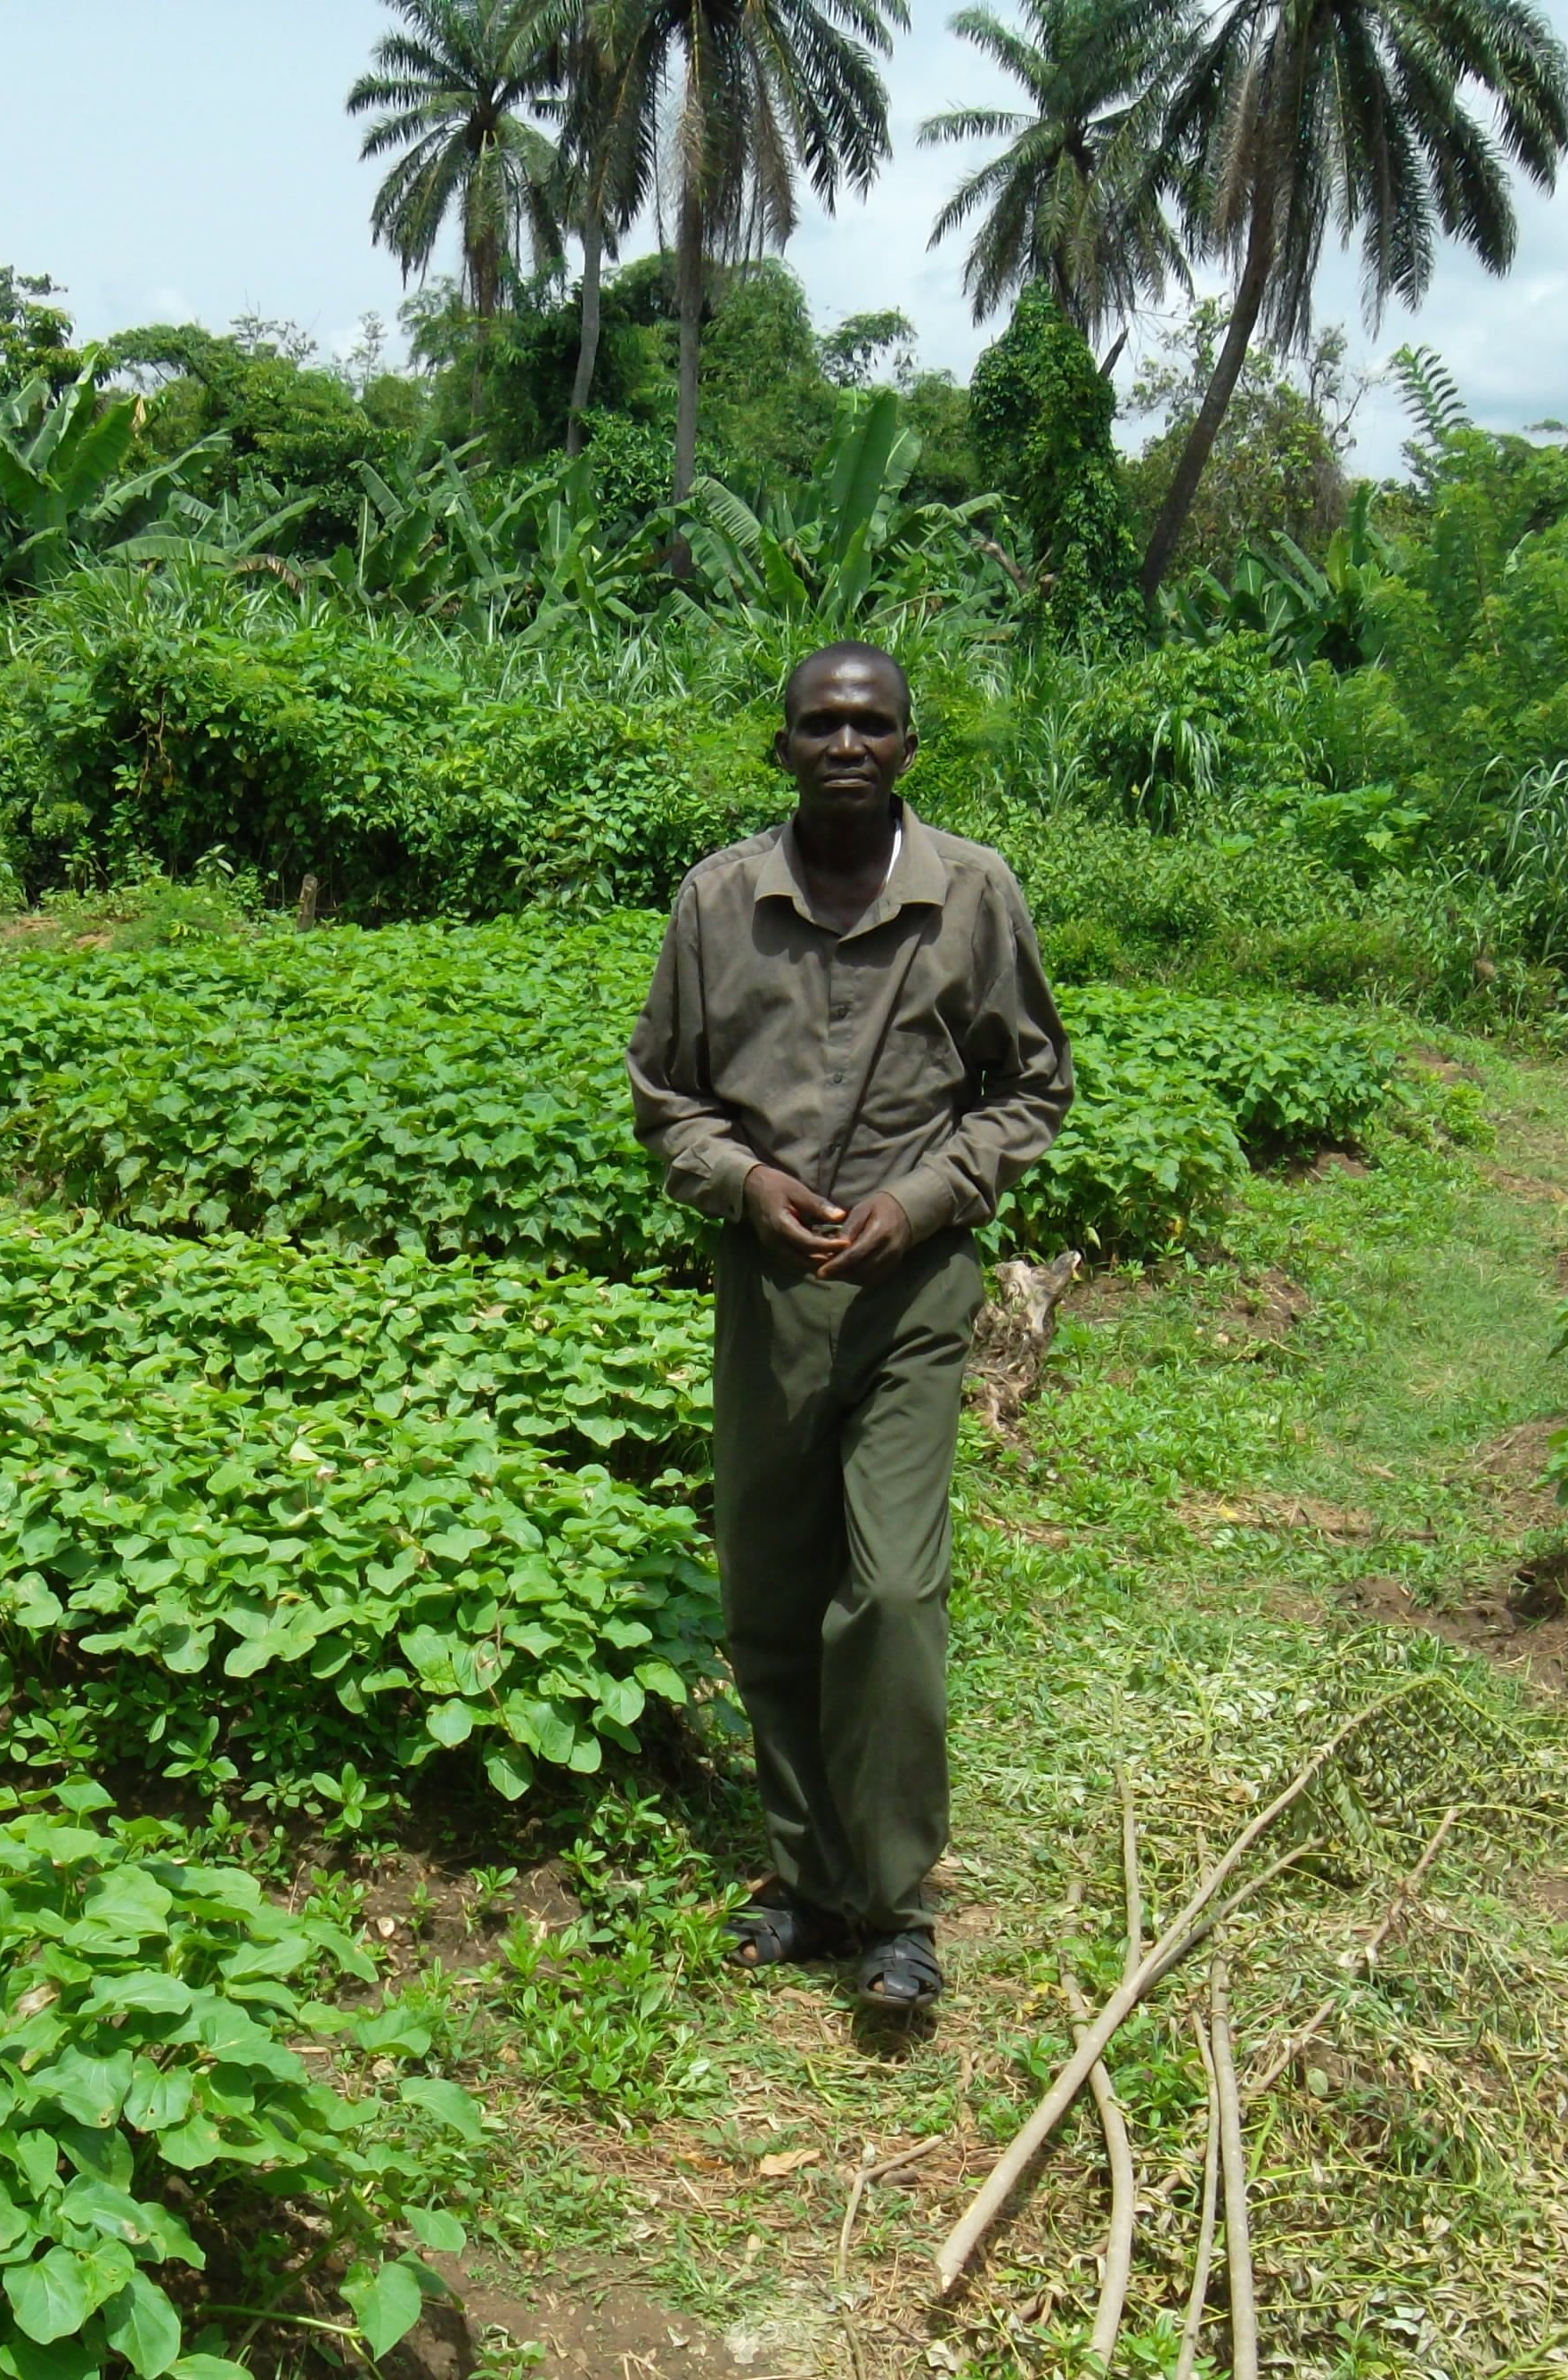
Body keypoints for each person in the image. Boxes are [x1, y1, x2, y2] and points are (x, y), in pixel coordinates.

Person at [624, 641, 1074, 2016]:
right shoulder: (718, 902)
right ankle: (807, 1882)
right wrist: (745, 1185)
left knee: (886, 1592)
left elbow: (1030, 1089)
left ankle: (895, 1906)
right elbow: (666, 1098)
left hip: (913, 1294)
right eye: (818, 723)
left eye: (871, 725)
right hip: (767, 1296)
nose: (843, 745)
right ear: (781, 747)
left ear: (907, 748)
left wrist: (926, 1196)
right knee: (770, 1588)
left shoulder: (973, 894)